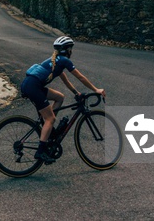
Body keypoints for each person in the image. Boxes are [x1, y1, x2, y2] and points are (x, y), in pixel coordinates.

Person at [20, 36, 106, 164]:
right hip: (33, 87)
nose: (72, 51)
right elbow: (80, 77)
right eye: (71, 48)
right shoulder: (64, 60)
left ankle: (49, 130)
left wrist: (76, 93)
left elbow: (66, 81)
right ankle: (41, 151)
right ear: (67, 49)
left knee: (59, 97)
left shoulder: (56, 61)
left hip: (32, 85)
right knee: (50, 118)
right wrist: (95, 89)